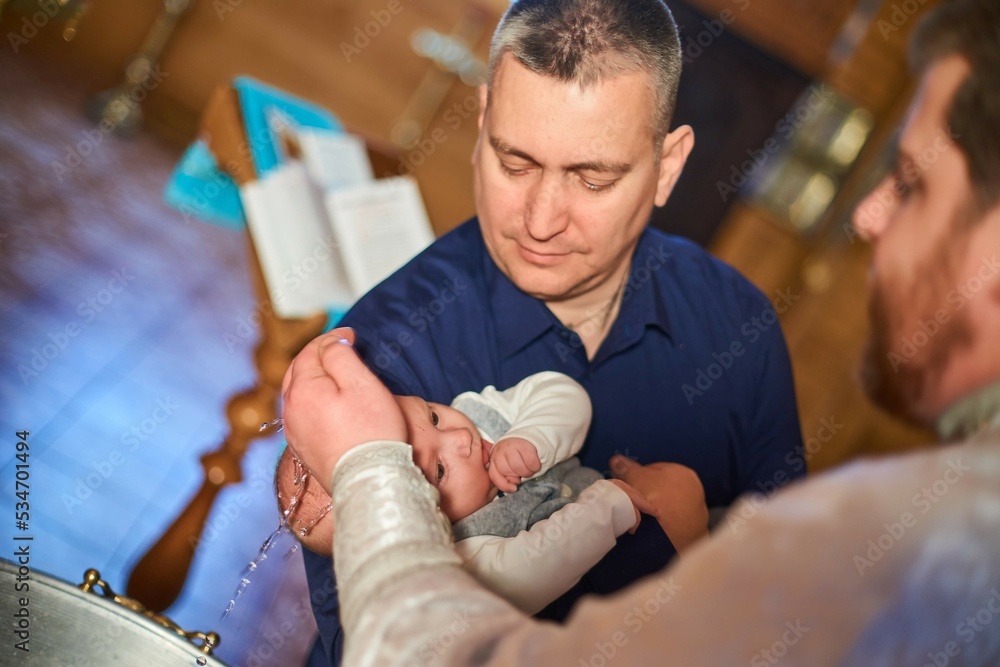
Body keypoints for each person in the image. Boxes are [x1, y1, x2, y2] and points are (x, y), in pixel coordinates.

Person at [281, 0, 1000, 663]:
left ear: (668, 165)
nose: (539, 219)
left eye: (592, 179)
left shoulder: (736, 321)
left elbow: (781, 607)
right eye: (514, 160)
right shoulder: (386, 343)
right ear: (482, 122)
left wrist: (701, 538)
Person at [286, 370, 707, 614]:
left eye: (431, 416)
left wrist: (532, 436)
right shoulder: (460, 551)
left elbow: (561, 392)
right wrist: (606, 509)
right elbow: (534, 570)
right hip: (621, 586)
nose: (459, 439)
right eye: (438, 469)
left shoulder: (478, 414)